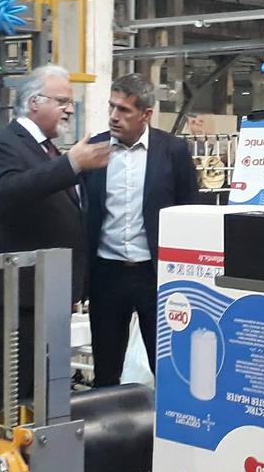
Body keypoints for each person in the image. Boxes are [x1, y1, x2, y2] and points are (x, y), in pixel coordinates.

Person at [0, 65, 112, 424]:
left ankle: (41, 454)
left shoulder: (48, 151)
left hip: (51, 293)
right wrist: (71, 164)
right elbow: (5, 192)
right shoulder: (2, 144)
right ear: (34, 102)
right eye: (62, 101)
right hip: (17, 296)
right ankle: (5, 455)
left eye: (70, 102)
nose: (69, 109)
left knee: (45, 391)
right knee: (12, 392)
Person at [81, 73, 199, 387]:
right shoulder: (94, 150)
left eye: (124, 110)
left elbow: (190, 210)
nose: (113, 116)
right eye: (111, 107)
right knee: (106, 370)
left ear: (146, 114)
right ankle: (107, 418)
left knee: (168, 368)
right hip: (106, 274)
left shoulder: (173, 151)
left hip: (156, 276)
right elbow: (83, 213)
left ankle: (168, 418)